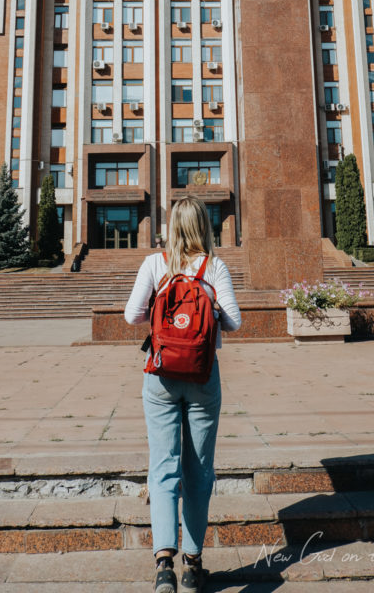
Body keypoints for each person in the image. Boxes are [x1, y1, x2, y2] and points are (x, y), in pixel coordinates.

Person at [125, 196, 242, 592]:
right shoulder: (215, 267)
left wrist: (162, 316)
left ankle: (163, 566)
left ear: (171, 226)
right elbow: (235, 322)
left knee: (163, 468)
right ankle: (193, 565)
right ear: (204, 227)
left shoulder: (155, 264)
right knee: (199, 470)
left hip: (160, 376)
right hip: (203, 376)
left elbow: (131, 315)